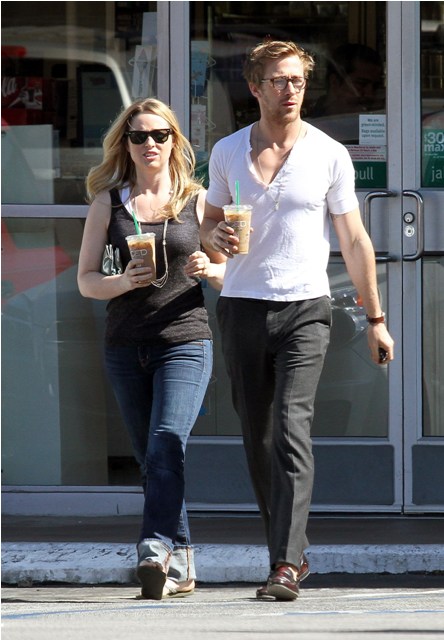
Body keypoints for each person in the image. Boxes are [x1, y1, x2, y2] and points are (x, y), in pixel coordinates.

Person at [200, 40, 394, 601]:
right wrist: (215, 236)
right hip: (242, 305)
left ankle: (285, 565)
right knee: (258, 437)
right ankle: (290, 550)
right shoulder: (228, 151)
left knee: (290, 427)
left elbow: (354, 239)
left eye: (298, 81)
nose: (290, 91)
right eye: (278, 81)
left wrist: (376, 318)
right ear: (255, 87)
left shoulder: (328, 153)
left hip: (306, 308)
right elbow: (207, 225)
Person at [77, 98, 225, 600]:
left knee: (166, 441)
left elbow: (230, 272)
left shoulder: (197, 201)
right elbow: (86, 281)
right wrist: (122, 281)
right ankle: (180, 562)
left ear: (174, 141)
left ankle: (154, 545)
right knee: (153, 458)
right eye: (138, 136)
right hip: (125, 344)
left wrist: (210, 268)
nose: (150, 144)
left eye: (160, 135)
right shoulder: (109, 203)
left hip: (184, 339)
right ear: (125, 144)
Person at [309, 43, 384, 117]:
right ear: (334, 82)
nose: (370, 94)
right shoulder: (310, 120)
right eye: (361, 84)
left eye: (375, 87)